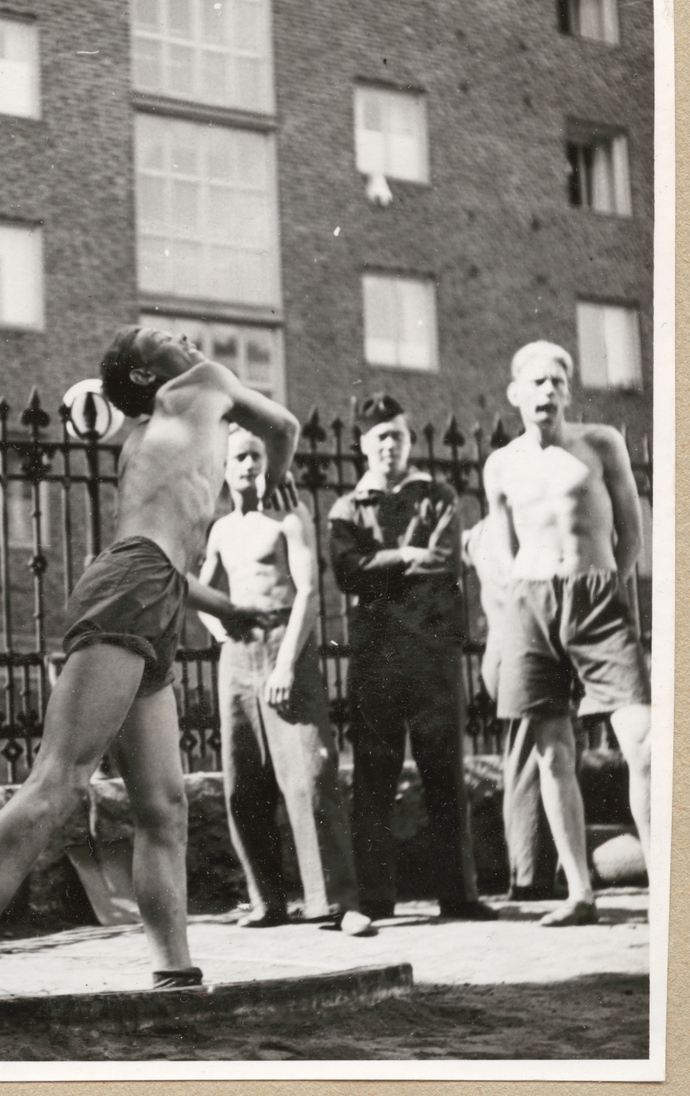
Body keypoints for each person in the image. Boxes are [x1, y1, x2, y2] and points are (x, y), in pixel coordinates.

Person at [0, 326, 299, 997]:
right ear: (147, 375)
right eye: (160, 336)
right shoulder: (204, 381)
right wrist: (280, 475)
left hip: (158, 591)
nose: (182, 335)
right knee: (60, 779)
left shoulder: (156, 429)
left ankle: (174, 969)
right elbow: (284, 426)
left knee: (165, 806)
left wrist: (226, 608)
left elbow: (168, 559)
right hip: (132, 587)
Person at [485, 340, 651, 927]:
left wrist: (600, 585)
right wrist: (519, 610)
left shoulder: (600, 443)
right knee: (553, 753)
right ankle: (580, 892)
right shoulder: (500, 464)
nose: (548, 391)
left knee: (643, 742)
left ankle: (668, 884)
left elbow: (631, 534)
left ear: (569, 392)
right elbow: (503, 548)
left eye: (558, 382)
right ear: (516, 394)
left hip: (598, 595)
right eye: (537, 382)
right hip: (532, 602)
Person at [329, 393, 497, 923]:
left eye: (397, 436)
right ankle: (376, 897)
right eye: (380, 437)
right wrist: (404, 554)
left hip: (431, 654)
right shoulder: (347, 508)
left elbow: (443, 563)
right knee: (373, 776)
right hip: (375, 657)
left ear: (409, 441)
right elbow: (346, 572)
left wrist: (379, 569)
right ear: (363, 445)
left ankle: (459, 894)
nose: (390, 445)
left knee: (444, 772)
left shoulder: (438, 495)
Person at [198, 427, 371, 936]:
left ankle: (335, 903)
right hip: (237, 655)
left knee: (311, 775)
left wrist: (286, 665)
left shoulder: (290, 520)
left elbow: (309, 594)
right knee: (243, 780)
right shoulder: (220, 530)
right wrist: (219, 628)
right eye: (238, 457)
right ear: (223, 468)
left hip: (284, 646)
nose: (249, 465)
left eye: (256, 455)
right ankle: (266, 901)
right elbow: (200, 592)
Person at [463, 516, 559, 900]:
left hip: (500, 651)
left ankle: (533, 871)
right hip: (527, 648)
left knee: (528, 758)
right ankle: (531, 878)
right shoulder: (528, 523)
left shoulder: (479, 532)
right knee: (535, 760)